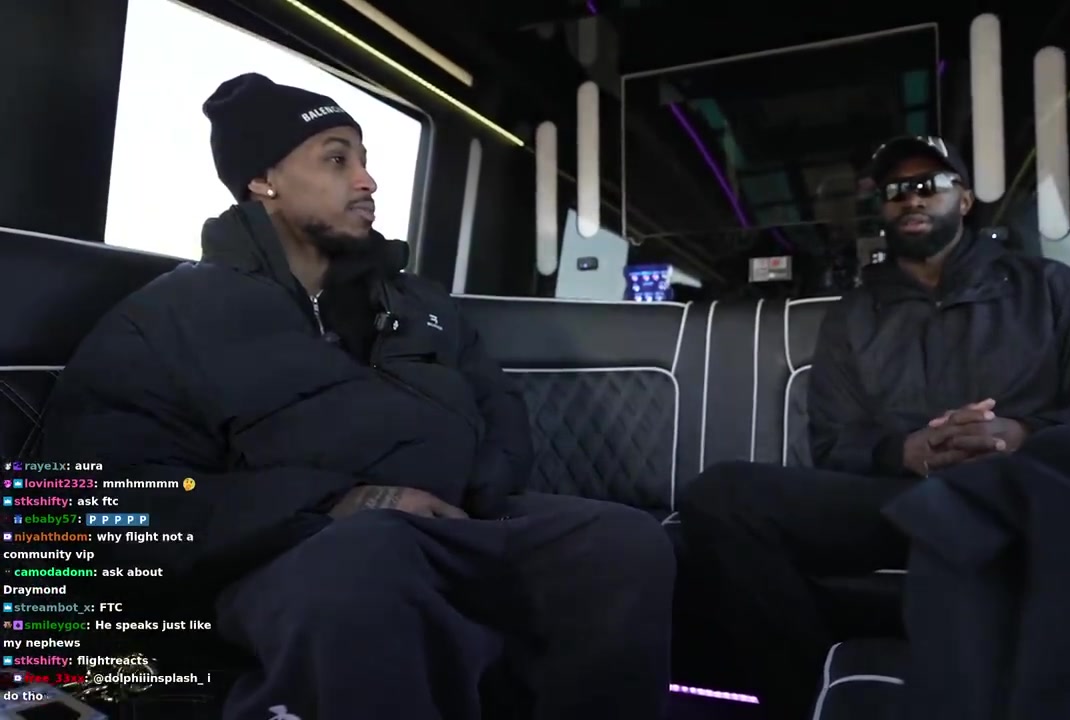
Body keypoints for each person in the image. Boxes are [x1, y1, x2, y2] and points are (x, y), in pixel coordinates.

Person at [38, 74, 674, 720]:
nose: (368, 181)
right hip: (287, 552)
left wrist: (479, 491)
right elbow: (103, 494)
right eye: (338, 159)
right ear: (263, 180)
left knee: (620, 544)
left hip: (460, 522)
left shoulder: (417, 302)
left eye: (365, 161)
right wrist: (331, 503)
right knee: (365, 567)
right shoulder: (168, 319)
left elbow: (499, 406)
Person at [677, 135, 1070, 718]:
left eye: (930, 185)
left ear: (964, 199)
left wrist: (1022, 435)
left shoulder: (1055, 290)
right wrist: (905, 451)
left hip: (1025, 490)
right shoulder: (854, 317)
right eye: (895, 190)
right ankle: (808, 701)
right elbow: (834, 442)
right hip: (901, 499)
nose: (911, 198)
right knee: (721, 496)